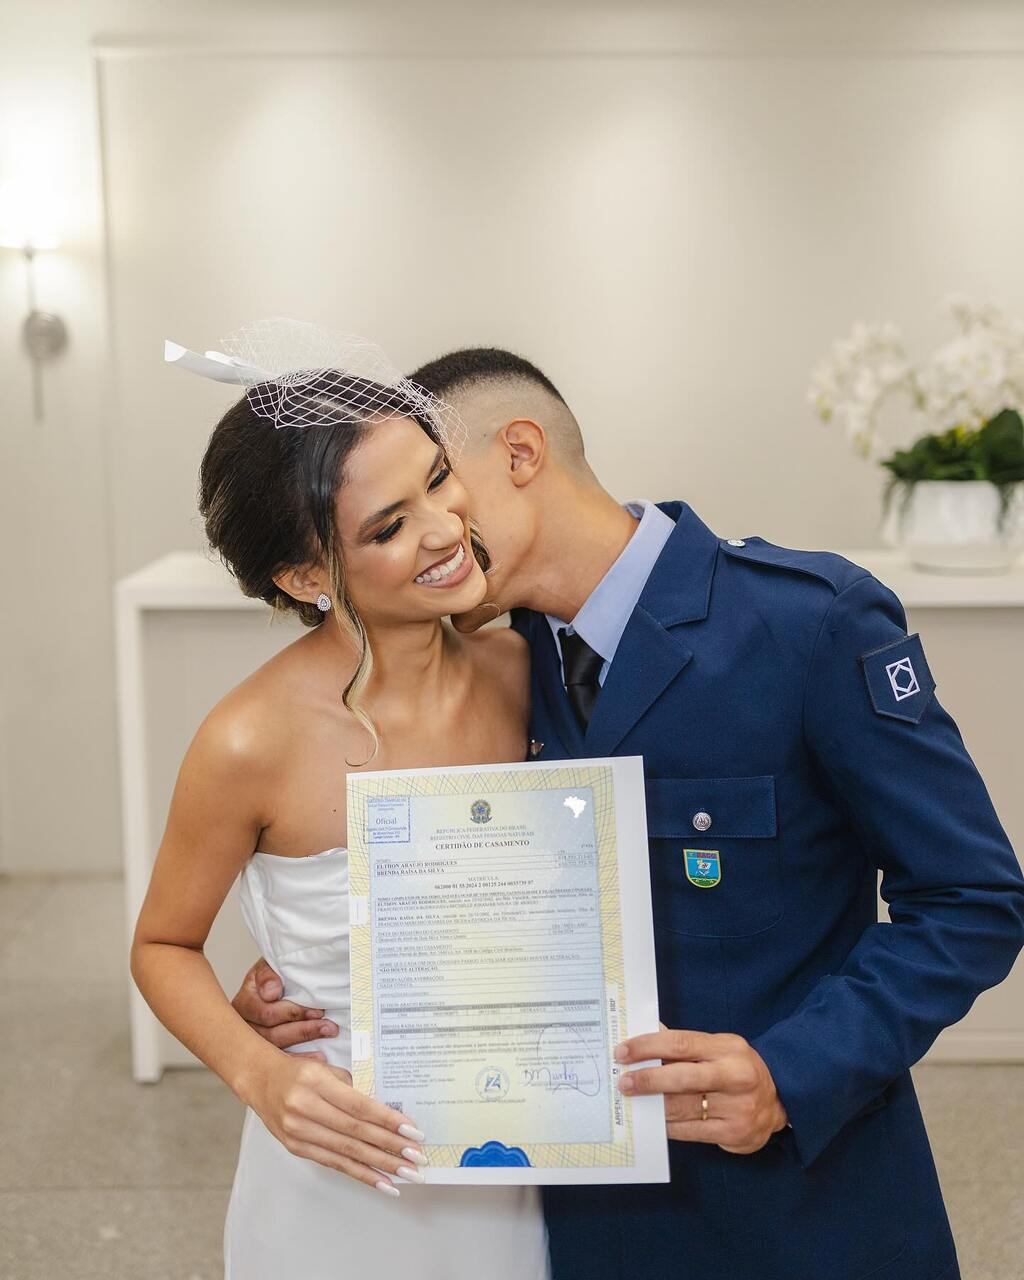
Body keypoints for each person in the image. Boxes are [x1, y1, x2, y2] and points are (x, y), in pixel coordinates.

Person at [236, 347, 1024, 1280]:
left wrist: (791, 1074)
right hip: (585, 1225)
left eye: (442, 480)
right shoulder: (495, 665)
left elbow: (974, 896)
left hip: (803, 1211)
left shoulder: (805, 627)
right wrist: (328, 970)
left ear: (521, 454)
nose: (437, 529)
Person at [130, 361, 549, 1280]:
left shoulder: (521, 673)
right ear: (305, 572)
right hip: (333, 1163)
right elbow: (161, 945)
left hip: (514, 1146)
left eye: (438, 478)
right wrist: (262, 1074)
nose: (445, 529)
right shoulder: (249, 740)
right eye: (391, 527)